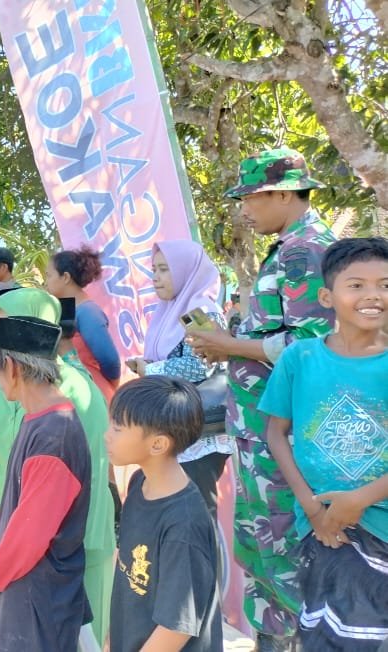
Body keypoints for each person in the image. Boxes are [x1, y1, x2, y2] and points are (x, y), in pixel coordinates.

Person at [187, 147, 336, 650]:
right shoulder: (289, 248)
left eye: (251, 198)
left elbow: (311, 346)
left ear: (285, 194)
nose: (244, 210)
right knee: (263, 555)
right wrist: (229, 341)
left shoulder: (306, 251)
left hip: (284, 438)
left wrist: (229, 346)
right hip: (261, 431)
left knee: (287, 557)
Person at [0, 288, 114, 645]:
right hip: (15, 548)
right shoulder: (0, 390)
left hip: (66, 548)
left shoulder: (75, 395)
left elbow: (92, 473)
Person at [260, 238, 388, 650]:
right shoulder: (299, 359)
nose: (373, 295)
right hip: (322, 528)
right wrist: (313, 507)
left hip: (380, 525)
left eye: (385, 285)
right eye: (357, 285)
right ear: (326, 297)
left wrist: (360, 499)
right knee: (328, 635)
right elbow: (276, 432)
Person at [0, 315, 92, 652]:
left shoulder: (54, 433)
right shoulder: (38, 418)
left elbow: (28, 536)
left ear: (10, 367)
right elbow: (13, 507)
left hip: (40, 599)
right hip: (25, 590)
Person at [106, 377, 223, 652]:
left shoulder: (183, 524)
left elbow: (175, 628)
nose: (107, 435)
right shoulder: (139, 482)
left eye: (117, 428)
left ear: (158, 444)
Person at [126, 241, 236, 516]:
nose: (156, 277)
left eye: (164, 269)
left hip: (199, 433)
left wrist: (150, 370)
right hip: (178, 425)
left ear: (187, 270)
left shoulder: (199, 312)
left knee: (196, 511)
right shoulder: (169, 311)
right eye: (154, 269)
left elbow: (202, 365)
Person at [45, 246, 121, 400]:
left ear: (65, 277)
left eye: (49, 275)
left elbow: (110, 361)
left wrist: (107, 385)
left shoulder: (87, 312)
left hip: (93, 392)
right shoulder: (66, 310)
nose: (45, 282)